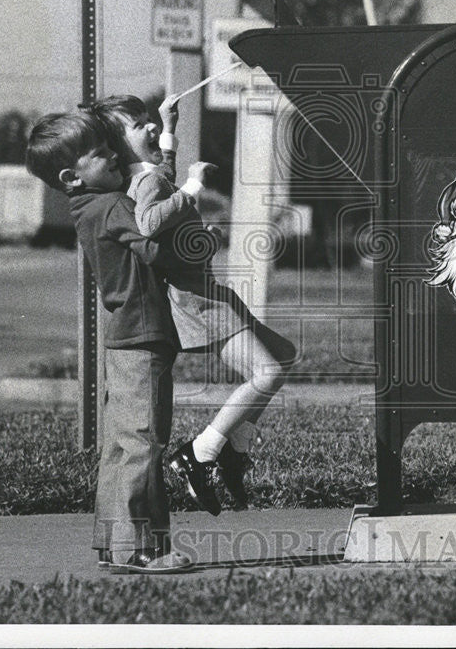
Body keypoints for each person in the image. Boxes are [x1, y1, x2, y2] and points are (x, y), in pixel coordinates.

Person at [84, 94, 296, 516]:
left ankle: (235, 449)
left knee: (284, 355)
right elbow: (148, 221)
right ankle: (201, 453)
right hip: (196, 301)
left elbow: (161, 173)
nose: (148, 128)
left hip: (206, 292)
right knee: (267, 371)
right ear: (119, 144)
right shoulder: (143, 184)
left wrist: (169, 128)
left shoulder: (147, 174)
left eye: (148, 121)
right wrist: (194, 186)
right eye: (138, 124)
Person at [25, 111, 206, 575]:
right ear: (71, 176)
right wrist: (202, 239)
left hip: (121, 335)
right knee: (144, 440)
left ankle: (115, 542)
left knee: (121, 444)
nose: (111, 155)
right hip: (143, 333)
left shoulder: (85, 208)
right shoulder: (114, 207)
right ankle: (140, 549)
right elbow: (152, 245)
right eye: (100, 152)